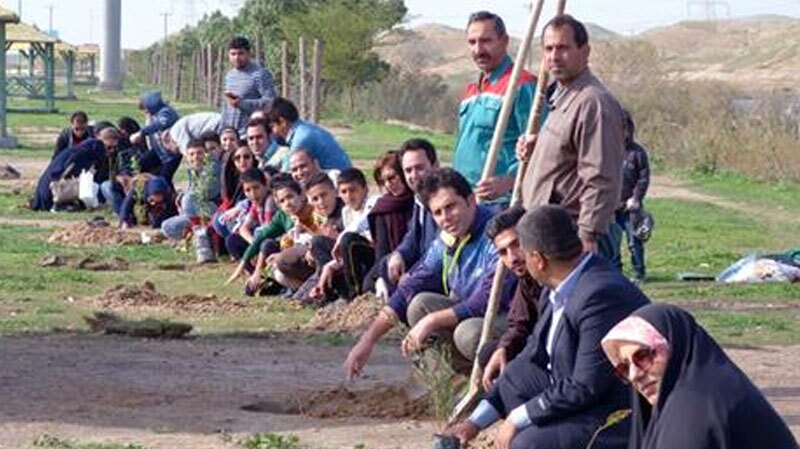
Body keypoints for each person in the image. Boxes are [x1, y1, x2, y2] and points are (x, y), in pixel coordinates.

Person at [446, 205, 650, 449]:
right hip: (580, 392)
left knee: (527, 443)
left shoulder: (599, 295)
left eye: (521, 249)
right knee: (512, 380)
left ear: (538, 260)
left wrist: (516, 419)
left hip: (621, 411)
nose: (514, 258)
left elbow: (586, 385)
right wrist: (474, 423)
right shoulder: (557, 288)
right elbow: (530, 357)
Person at [344, 168, 515, 378]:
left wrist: (433, 321)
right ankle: (461, 378)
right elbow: (411, 285)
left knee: (468, 333)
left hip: (508, 316)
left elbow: (487, 300)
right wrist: (367, 340)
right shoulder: (446, 238)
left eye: (451, 207)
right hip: (470, 310)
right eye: (438, 213)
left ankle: (501, 383)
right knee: (419, 304)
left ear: (470, 200)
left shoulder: (496, 232)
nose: (446, 218)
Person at [602, 303, 798, 449]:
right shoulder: (714, 386)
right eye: (624, 368)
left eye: (643, 355)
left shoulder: (694, 418)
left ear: (676, 347)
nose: (635, 374)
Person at [519, 15, 626, 262]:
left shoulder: (593, 103)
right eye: (549, 48)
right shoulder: (563, 97)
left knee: (588, 300)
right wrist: (540, 149)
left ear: (584, 51)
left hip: (576, 237)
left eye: (563, 47)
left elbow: (601, 177)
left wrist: (587, 236)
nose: (555, 56)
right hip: (549, 234)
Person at [454, 11, 539, 204]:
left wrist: (509, 181)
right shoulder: (471, 91)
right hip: (469, 201)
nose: (478, 49)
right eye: (472, 42)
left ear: (504, 41)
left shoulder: (522, 85)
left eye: (486, 41)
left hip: (502, 203)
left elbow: (541, 145)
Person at [479, 206, 544, 391]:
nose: (512, 258)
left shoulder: (552, 273)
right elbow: (518, 324)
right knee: (492, 352)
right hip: (541, 344)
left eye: (517, 245)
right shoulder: (525, 279)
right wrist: (503, 349)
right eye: (503, 252)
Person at [379, 139, 440, 298]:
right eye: (408, 170)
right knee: (388, 263)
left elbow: (439, 250)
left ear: (435, 166)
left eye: (420, 168)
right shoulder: (419, 198)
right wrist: (399, 254)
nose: (414, 175)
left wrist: (413, 274)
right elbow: (412, 237)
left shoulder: (442, 201)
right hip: (423, 266)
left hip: (440, 272)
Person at [310, 168, 380, 302]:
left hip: (374, 253)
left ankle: (356, 296)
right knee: (318, 242)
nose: (348, 195)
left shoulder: (374, 202)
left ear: (365, 190)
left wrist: (341, 237)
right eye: (344, 192)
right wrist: (329, 265)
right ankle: (331, 293)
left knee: (348, 240)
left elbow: (364, 222)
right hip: (353, 255)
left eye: (353, 190)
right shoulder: (346, 212)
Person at [31, 125, 120, 211]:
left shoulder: (86, 147)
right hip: (52, 191)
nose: (111, 151)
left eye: (115, 148)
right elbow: (69, 169)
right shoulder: (94, 148)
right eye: (109, 147)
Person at [613, 109, 650, 282]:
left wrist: (636, 198)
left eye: (625, 128)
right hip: (611, 207)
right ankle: (614, 273)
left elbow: (643, 179)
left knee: (634, 241)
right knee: (612, 243)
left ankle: (639, 272)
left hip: (631, 208)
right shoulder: (607, 151)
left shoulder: (638, 153)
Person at [267, 97, 352, 171]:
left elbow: (289, 174)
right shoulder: (306, 129)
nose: (273, 132)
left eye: (273, 126)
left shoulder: (300, 140)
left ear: (282, 122)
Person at [161, 139, 221, 240]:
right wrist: (182, 195)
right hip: (194, 212)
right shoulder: (192, 171)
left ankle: (200, 233)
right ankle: (196, 233)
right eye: (191, 154)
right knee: (167, 226)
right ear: (187, 157)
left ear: (206, 154)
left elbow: (206, 193)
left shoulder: (213, 168)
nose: (196, 157)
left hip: (213, 209)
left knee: (188, 200)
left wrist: (185, 197)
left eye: (199, 153)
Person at [221, 36, 277, 137]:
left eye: (240, 53)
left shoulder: (260, 74)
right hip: (231, 135)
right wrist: (223, 129)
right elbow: (226, 106)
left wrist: (242, 103)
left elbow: (271, 102)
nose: (236, 57)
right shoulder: (229, 76)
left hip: (251, 134)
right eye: (233, 54)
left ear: (248, 53)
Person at [131, 91, 182, 185]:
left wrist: (142, 132)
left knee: (165, 179)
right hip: (158, 150)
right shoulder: (155, 114)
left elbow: (161, 124)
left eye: (145, 109)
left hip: (171, 153)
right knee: (138, 166)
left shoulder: (166, 112)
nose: (145, 112)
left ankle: (169, 197)